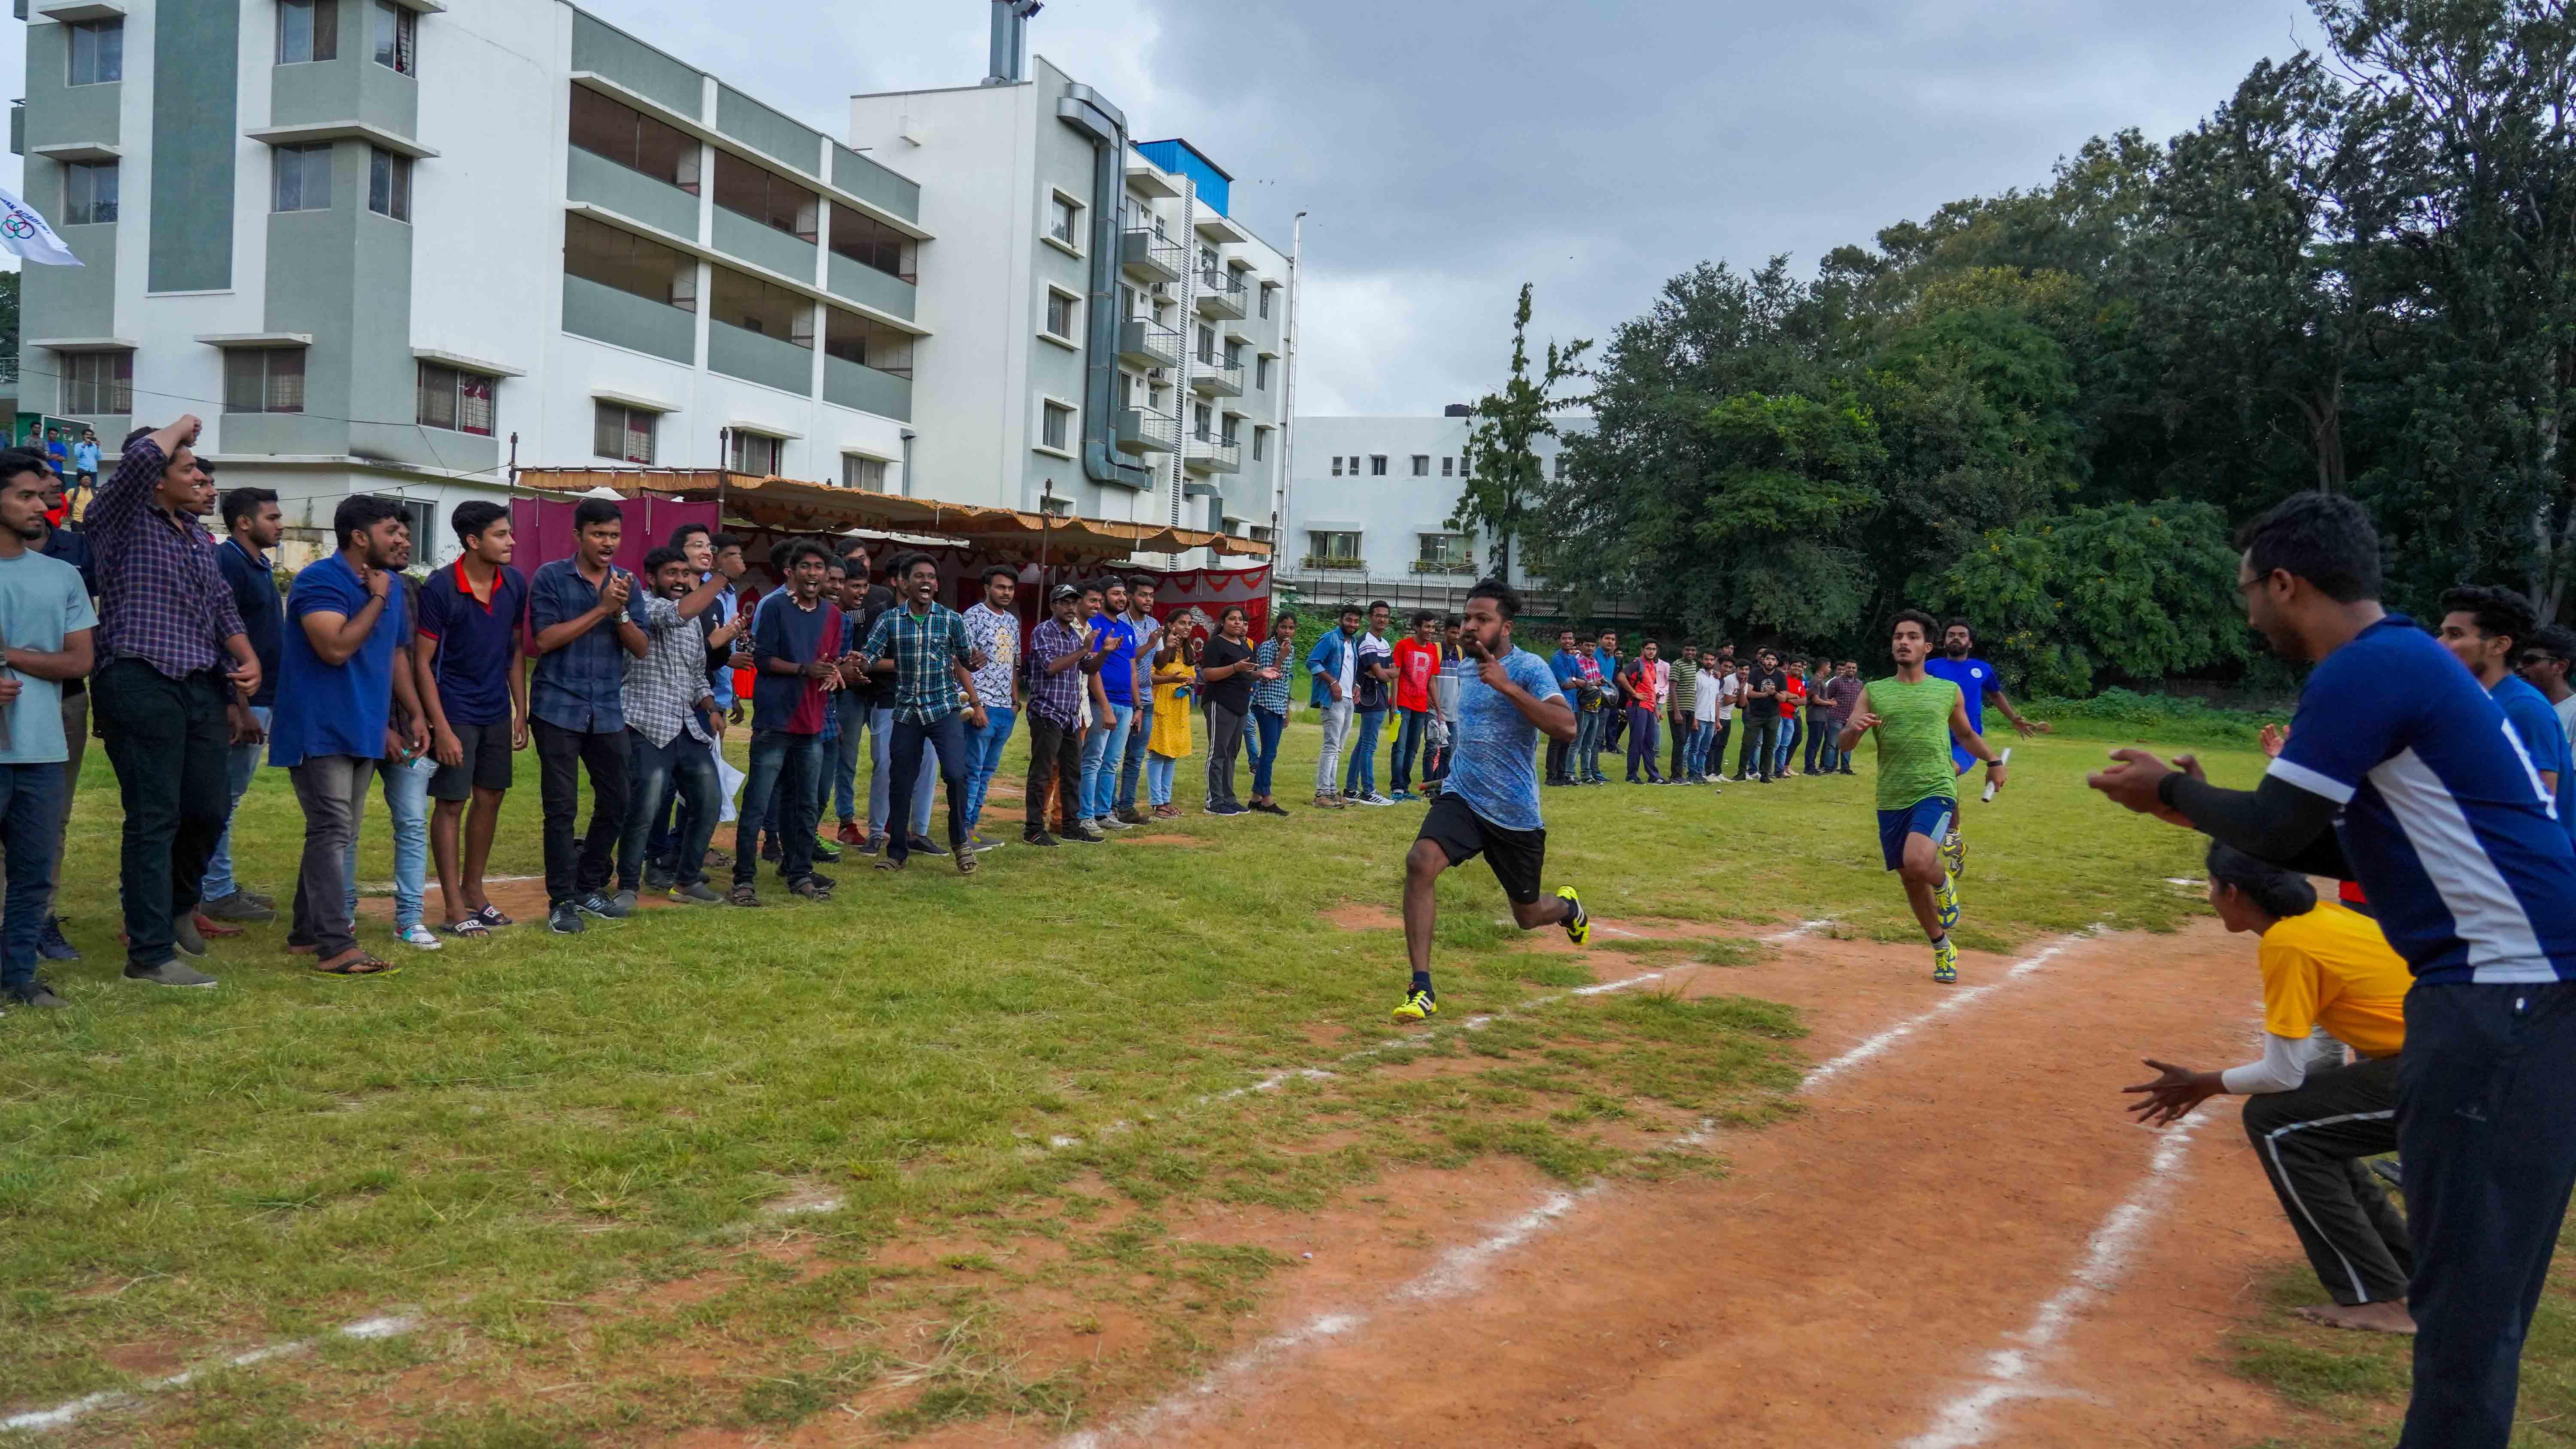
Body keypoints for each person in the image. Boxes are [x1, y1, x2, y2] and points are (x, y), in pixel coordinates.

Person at [2087, 491, 2576, 1448]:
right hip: (2521, 996)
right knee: (2477, 1299)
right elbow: (2347, 850)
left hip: (2502, 1001)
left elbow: (2278, 825)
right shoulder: (2408, 662)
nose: (2248, 613)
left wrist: (2174, 787)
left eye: (2248, 591)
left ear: (2285, 582)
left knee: (2466, 1312)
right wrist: (2185, 807)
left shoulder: (2367, 666)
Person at [2124, 843, 2415, 1333]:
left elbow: (2282, 1074)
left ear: (2234, 892)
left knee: (2278, 1123)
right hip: (2457, 1061)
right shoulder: (2321, 917)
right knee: (2304, 1116)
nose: (2210, 896)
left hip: (2453, 1077)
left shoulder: (2287, 943)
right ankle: (2403, 1267)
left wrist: (2203, 1083)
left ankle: (2379, 1296)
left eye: (2213, 886)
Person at [89, 417, 262, 987]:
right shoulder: (120, 521)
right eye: (188, 468)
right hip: (139, 679)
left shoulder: (194, 536)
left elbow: (220, 605)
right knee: (154, 818)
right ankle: (149, 954)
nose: (201, 478)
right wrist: (178, 429)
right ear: (155, 478)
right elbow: (139, 462)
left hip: (199, 685)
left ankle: (180, 903)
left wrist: (245, 656)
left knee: (209, 807)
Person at [1396, 578, 1588, 1022]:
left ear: (1506, 627)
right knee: (1421, 861)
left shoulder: (1529, 668)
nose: (1470, 626)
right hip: (1464, 796)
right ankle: (1421, 986)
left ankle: (1568, 908)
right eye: (1467, 617)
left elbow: (1567, 727)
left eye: (1483, 619)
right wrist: (1449, 777)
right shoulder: (1463, 666)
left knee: (1528, 914)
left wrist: (1508, 687)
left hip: (1515, 813)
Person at [272, 495, 419, 978]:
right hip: (319, 726)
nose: (402, 539)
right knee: (333, 829)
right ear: (360, 537)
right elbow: (334, 647)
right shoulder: (319, 580)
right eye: (392, 531)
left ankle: (307, 931)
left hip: (365, 724)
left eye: (403, 531)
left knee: (336, 832)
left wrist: (413, 713)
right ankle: (335, 945)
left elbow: (396, 655)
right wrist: (377, 597)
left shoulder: (391, 586)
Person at [1839, 610, 2006, 985]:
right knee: (1910, 878)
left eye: (1912, 637)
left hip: (1936, 787)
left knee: (1918, 862)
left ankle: (1944, 883)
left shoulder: (1947, 691)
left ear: (1927, 647)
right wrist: (1855, 729)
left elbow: (1965, 736)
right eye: (1898, 636)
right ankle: (1942, 946)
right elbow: (1844, 743)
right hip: (1892, 794)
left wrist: (1993, 760)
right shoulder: (1875, 691)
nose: (1903, 642)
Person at [0, 452, 95, 1009]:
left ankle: (17, 978)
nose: (43, 505)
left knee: (34, 875)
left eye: (43, 495)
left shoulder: (62, 576)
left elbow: (79, 661)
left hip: (40, 750)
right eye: (27, 496)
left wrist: (10, 656)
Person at [526, 496, 644, 934]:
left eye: (614, 535)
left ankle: (589, 885)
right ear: (578, 536)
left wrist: (621, 611)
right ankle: (562, 901)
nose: (608, 542)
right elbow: (544, 639)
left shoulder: (626, 584)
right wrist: (600, 609)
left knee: (618, 799)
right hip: (558, 706)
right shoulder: (552, 577)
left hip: (608, 710)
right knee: (562, 808)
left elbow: (641, 647)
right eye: (599, 534)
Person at [414, 501, 528, 938]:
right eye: (501, 534)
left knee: (491, 797)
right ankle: (451, 906)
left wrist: (522, 709)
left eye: (510, 533)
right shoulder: (441, 587)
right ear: (473, 541)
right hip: (455, 709)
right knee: (451, 803)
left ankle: (475, 892)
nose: (511, 541)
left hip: (496, 708)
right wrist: (440, 726)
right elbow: (422, 662)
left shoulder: (515, 583)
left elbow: (515, 649)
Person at [615, 546, 729, 907]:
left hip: (687, 727)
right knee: (644, 809)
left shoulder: (693, 619)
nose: (680, 580)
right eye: (672, 574)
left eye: (684, 573)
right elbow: (677, 614)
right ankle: (628, 887)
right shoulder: (644, 606)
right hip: (646, 725)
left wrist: (710, 706)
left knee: (710, 801)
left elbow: (696, 674)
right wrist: (724, 575)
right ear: (651, 578)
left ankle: (687, 882)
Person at [864, 551, 987, 872]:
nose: (927, 582)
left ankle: (960, 843)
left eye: (932, 577)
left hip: (944, 710)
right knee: (901, 781)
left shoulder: (951, 620)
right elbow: (869, 655)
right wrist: (855, 663)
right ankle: (897, 852)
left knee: (957, 775)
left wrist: (974, 662)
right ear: (904, 583)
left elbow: (965, 658)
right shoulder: (889, 620)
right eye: (920, 576)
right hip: (906, 713)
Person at [734, 539, 842, 903]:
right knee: (758, 802)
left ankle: (799, 875)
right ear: (792, 573)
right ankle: (744, 880)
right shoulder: (776, 606)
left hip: (812, 723)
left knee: (806, 804)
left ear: (826, 575)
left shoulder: (834, 615)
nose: (813, 574)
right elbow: (762, 659)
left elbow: (833, 661)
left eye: (819, 568)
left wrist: (838, 672)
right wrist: (804, 670)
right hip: (775, 720)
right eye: (807, 567)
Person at [200, 487, 285, 925]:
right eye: (272, 517)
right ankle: (213, 891)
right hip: (244, 701)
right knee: (223, 798)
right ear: (244, 523)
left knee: (229, 797)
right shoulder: (229, 562)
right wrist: (240, 705)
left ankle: (218, 884)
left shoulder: (258, 563)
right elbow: (220, 634)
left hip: (265, 695)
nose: (281, 523)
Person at [643, 525, 745, 882]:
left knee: (702, 794)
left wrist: (715, 701)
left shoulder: (712, 598)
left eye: (709, 545)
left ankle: (681, 859)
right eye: (697, 545)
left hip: (698, 709)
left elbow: (699, 664)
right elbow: (679, 625)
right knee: (661, 793)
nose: (706, 550)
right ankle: (654, 861)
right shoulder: (665, 602)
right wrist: (715, 642)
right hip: (657, 715)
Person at [2437, 584, 2576, 845]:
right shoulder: (2475, 703)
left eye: (2454, 635)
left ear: (2499, 645)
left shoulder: (2524, 708)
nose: (2440, 644)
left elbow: (2539, 810)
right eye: (2443, 633)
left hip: (2528, 873)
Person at [28, 475, 93, 964]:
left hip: (64, 699)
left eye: (49, 488)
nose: (49, 496)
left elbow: (81, 651)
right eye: (31, 491)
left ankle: (39, 918)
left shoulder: (75, 553)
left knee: (52, 817)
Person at [1924, 620, 2045, 873]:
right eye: (1951, 635)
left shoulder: (1982, 669)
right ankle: (1955, 844)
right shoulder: (1930, 667)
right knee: (1933, 787)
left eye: (1961, 635)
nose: (1956, 639)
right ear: (1943, 641)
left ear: (1970, 642)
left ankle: (1952, 834)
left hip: (1967, 742)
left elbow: (1996, 695)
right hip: (1934, 739)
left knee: (1946, 774)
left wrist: (2014, 719)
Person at [1022, 583, 1095, 846]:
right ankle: (1033, 829)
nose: (1070, 608)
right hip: (1047, 712)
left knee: (1072, 772)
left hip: (1070, 715)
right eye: (1064, 602)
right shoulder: (1044, 632)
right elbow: (1051, 666)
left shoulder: (1074, 637)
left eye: (1073, 603)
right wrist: (1084, 650)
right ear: (1053, 605)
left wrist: (1105, 651)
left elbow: (1088, 668)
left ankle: (1070, 826)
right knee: (1042, 772)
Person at [958, 564, 1021, 849]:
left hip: (1005, 709)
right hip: (980, 705)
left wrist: (1015, 702)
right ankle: (961, 834)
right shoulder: (972, 617)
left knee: (986, 773)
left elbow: (1013, 664)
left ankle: (972, 829)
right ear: (987, 588)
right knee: (972, 771)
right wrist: (976, 705)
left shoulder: (1013, 622)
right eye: (1000, 587)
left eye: (1010, 588)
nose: (1005, 593)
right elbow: (960, 663)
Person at [1076, 576, 1140, 831]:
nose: (1122, 599)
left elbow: (1133, 671)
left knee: (1112, 761)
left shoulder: (1127, 629)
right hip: (1102, 702)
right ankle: (1085, 815)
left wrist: (1138, 707)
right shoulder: (1094, 625)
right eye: (1116, 594)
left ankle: (1104, 813)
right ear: (1103, 597)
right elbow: (1092, 671)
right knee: (1093, 759)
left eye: (1124, 594)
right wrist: (1104, 707)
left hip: (1126, 704)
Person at [1199, 605, 1263, 816]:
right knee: (1218, 752)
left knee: (1232, 753)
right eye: (1232, 619)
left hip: (1240, 704)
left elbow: (1248, 674)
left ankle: (1229, 798)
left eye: (1241, 620)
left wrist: (1263, 673)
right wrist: (1235, 668)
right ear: (1223, 622)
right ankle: (1214, 800)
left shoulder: (1244, 646)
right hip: (1220, 702)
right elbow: (1208, 675)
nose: (1237, 623)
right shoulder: (1215, 644)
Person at [1114, 575, 1163, 825]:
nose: (1148, 600)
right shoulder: (1120, 622)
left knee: (1135, 757)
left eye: (1152, 596)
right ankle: (1108, 806)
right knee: (1112, 756)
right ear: (1131, 596)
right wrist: (1151, 643)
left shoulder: (1154, 623)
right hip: (1122, 697)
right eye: (1144, 595)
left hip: (1146, 698)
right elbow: (1127, 659)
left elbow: (1159, 661)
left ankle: (1127, 807)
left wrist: (1172, 647)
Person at [1306, 605, 1361, 810]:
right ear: (1341, 620)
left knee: (1338, 747)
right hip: (1332, 699)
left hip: (1348, 699)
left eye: (1356, 622)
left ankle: (1332, 791)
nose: (1352, 625)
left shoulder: (1353, 642)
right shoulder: (1330, 639)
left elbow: (1349, 670)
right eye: (1349, 620)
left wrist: (1356, 686)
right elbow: (1312, 662)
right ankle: (1322, 794)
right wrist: (1332, 683)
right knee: (1331, 746)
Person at [1343, 600, 1396, 805]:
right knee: (1369, 745)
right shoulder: (1367, 641)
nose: (1382, 619)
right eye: (1378, 615)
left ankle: (1350, 788)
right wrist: (1384, 674)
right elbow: (1384, 676)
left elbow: (1392, 672)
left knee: (1362, 743)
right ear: (1370, 617)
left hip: (1380, 697)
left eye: (1385, 616)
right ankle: (1368, 791)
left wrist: (1384, 673)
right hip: (1370, 697)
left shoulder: (1384, 643)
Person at [1143, 625, 1200, 816]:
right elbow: (1147, 676)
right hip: (1161, 704)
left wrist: (1191, 683)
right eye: (1182, 622)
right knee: (1158, 754)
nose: (1187, 627)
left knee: (1172, 755)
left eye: (1189, 623)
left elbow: (1191, 674)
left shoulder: (1188, 650)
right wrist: (1170, 680)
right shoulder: (1161, 648)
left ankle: (1166, 801)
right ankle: (1157, 803)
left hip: (1179, 706)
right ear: (1170, 625)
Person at [1245, 611, 1296, 816]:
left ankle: (1256, 798)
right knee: (1268, 753)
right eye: (1284, 627)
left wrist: (1287, 709)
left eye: (1291, 628)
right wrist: (1280, 658)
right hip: (1265, 703)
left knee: (1270, 752)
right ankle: (1266, 799)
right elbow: (1267, 677)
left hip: (1279, 704)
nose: (1287, 631)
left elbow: (1287, 682)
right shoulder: (1268, 647)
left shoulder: (1291, 649)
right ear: (1276, 628)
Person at [1389, 612, 1443, 801]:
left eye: (1433, 627)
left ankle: (1404, 787)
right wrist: (1394, 704)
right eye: (1427, 627)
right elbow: (1395, 675)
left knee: (1413, 748)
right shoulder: (1403, 646)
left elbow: (1432, 681)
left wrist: (1438, 710)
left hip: (1421, 706)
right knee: (1401, 747)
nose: (1431, 631)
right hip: (1403, 704)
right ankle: (1397, 787)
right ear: (1417, 627)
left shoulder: (1432, 651)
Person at [2519, 624, 2576, 743]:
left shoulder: (2573, 714)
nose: (2520, 667)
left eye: (2530, 661)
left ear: (2560, 667)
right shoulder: (2517, 703)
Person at [1622, 640, 1665, 784]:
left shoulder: (1653, 667)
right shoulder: (1637, 663)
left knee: (1649, 742)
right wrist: (1634, 693)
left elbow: (1651, 690)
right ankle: (1632, 775)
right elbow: (1621, 676)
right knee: (1637, 741)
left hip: (1648, 708)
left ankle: (1653, 775)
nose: (1651, 652)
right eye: (1648, 649)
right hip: (1637, 706)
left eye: (1654, 649)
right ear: (1643, 650)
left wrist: (1656, 711)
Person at [1686, 649, 1725, 785]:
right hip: (1700, 717)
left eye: (1711, 660)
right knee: (1695, 748)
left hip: (1711, 719)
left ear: (1715, 661)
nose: (1709, 662)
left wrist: (1717, 721)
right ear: (1702, 661)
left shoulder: (1716, 679)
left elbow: (1716, 700)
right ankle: (1692, 774)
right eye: (1706, 659)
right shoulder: (1697, 677)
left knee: (1705, 749)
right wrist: (1694, 719)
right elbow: (1693, 698)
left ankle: (1700, 773)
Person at [1822, 660, 1864, 775]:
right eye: (1849, 668)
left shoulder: (1859, 684)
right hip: (1836, 716)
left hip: (1851, 719)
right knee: (1832, 744)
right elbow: (1827, 698)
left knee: (1848, 744)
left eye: (1853, 668)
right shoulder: (1836, 682)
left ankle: (1845, 768)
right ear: (1845, 669)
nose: (1851, 670)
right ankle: (1829, 768)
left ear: (1857, 670)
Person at [1803, 658, 1841, 776]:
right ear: (1823, 667)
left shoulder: (1820, 680)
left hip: (1820, 716)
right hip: (1816, 715)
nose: (1830, 670)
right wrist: (1829, 703)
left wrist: (1829, 700)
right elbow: (1816, 700)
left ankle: (1811, 766)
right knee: (1814, 743)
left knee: (1816, 742)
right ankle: (1809, 767)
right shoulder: (1817, 680)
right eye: (1829, 667)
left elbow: (1820, 698)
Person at [1667, 643, 1698, 784]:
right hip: (1678, 709)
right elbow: (1672, 689)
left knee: (1684, 741)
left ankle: (1679, 774)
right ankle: (1676, 776)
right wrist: (1677, 712)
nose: (1690, 653)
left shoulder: (1694, 665)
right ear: (1683, 650)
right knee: (1679, 742)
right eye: (1688, 650)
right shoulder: (1677, 665)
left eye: (1693, 650)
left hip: (1690, 708)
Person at [65, 430, 99, 514]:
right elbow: (77, 455)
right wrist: (85, 445)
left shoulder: (95, 446)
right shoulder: (79, 445)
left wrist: (98, 448)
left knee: (92, 491)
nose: (89, 437)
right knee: (79, 491)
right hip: (83, 470)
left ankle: (90, 511)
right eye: (87, 435)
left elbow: (99, 458)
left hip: (93, 471)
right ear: (83, 436)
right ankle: (76, 511)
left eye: (91, 436)